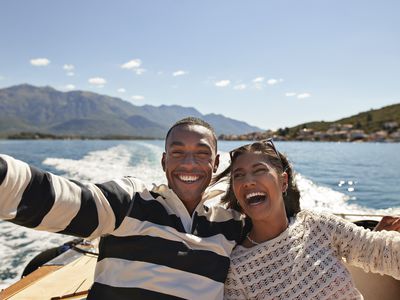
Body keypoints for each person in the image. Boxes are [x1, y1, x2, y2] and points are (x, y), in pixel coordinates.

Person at [0, 117, 247, 300]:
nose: (189, 164)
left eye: (201, 154)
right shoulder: (131, 201)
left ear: (215, 163)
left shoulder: (233, 224)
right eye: (178, 152)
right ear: (164, 161)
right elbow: (58, 198)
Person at [213, 139, 400, 299]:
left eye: (259, 170)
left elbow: (381, 251)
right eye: (238, 175)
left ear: (283, 181)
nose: (248, 181)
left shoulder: (317, 225)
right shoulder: (237, 269)